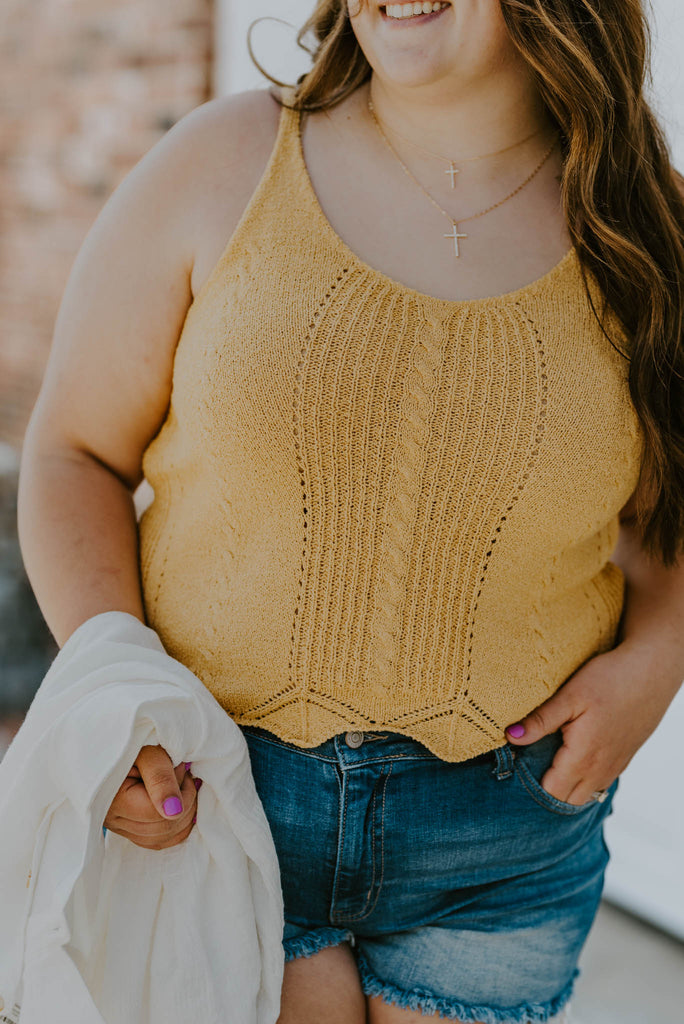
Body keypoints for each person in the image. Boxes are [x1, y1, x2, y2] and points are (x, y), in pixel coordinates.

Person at [17, 0, 684, 1022]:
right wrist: (118, 695)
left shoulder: (643, 227)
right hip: (219, 799)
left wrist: (661, 656)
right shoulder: (223, 163)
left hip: (503, 840)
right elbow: (74, 454)